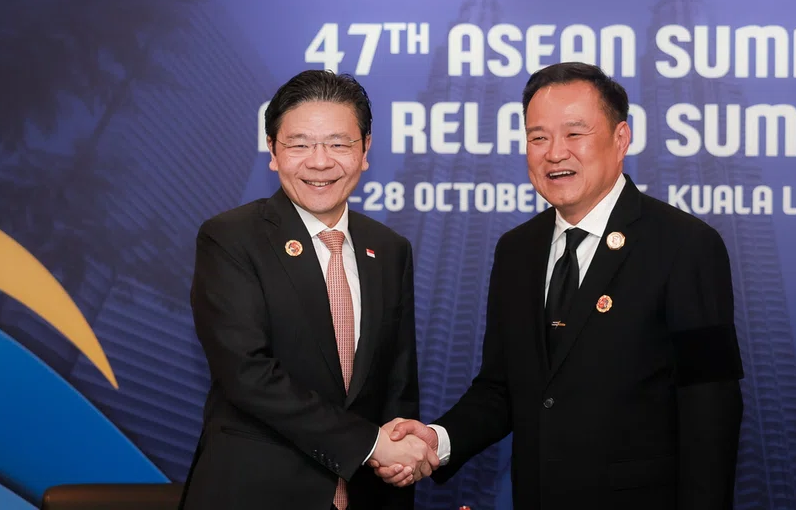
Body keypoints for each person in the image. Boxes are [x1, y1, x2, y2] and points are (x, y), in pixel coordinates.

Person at [376, 62, 744, 508]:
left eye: (575, 134)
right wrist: (438, 439)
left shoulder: (686, 246)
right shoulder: (517, 250)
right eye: (538, 137)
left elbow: (711, 410)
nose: (554, 153)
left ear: (621, 138)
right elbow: (502, 388)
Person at [180, 70, 437, 510]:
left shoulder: (389, 249)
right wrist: (371, 444)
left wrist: (399, 453)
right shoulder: (231, 238)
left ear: (365, 150)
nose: (320, 162)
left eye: (339, 144)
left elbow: (398, 383)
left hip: (367, 494)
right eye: (299, 145)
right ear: (274, 152)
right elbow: (247, 374)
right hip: (256, 493)